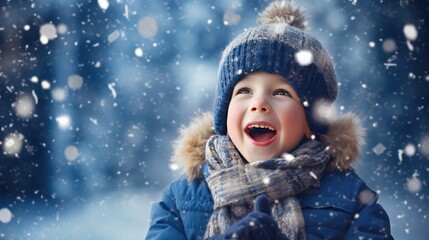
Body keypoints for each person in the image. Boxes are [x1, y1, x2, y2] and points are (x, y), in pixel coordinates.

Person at [146, 1, 393, 239]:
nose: (259, 103)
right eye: (244, 91)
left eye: (281, 93)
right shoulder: (181, 199)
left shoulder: (352, 203)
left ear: (311, 124)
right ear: (225, 116)